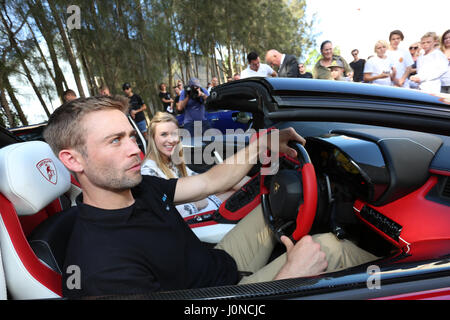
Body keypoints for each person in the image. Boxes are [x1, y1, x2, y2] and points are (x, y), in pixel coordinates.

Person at [43, 95, 377, 298]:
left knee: (270, 206)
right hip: (220, 298)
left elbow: (211, 182)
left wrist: (263, 144)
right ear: (73, 160)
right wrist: (291, 279)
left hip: (218, 263)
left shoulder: (140, 187)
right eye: (115, 141)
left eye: (132, 136)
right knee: (330, 247)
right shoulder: (101, 272)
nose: (135, 150)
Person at [141, 112, 247, 217]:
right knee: (235, 192)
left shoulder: (172, 160)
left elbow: (197, 179)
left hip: (197, 203)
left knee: (236, 181)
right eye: (164, 134)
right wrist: (198, 203)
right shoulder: (148, 171)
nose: (172, 140)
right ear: (152, 138)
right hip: (187, 219)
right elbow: (163, 211)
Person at [439, 29, 450, 94]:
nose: (448, 40)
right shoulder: (438, 51)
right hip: (440, 83)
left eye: (449, 38)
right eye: (445, 38)